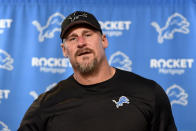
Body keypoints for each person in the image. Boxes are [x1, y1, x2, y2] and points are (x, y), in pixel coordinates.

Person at [18, 11, 177, 131]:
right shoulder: (46, 105)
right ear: (64, 50)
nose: (81, 43)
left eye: (87, 34)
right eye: (73, 38)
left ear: (104, 40)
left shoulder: (148, 92)